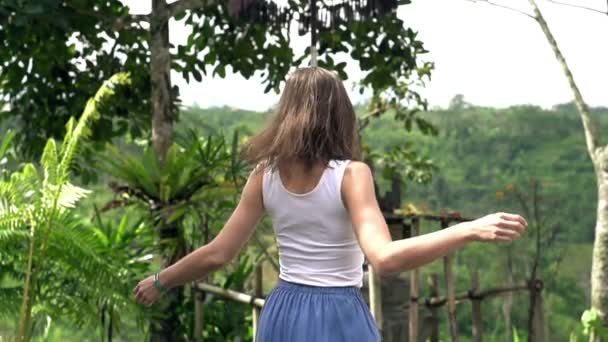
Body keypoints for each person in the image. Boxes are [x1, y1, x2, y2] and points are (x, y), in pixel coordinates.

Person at [133, 66, 528, 341]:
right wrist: (468, 228)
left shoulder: (264, 176)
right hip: (338, 314)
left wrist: (160, 280)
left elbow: (219, 253)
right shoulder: (351, 175)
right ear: (340, 114)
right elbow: (385, 259)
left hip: (282, 311)